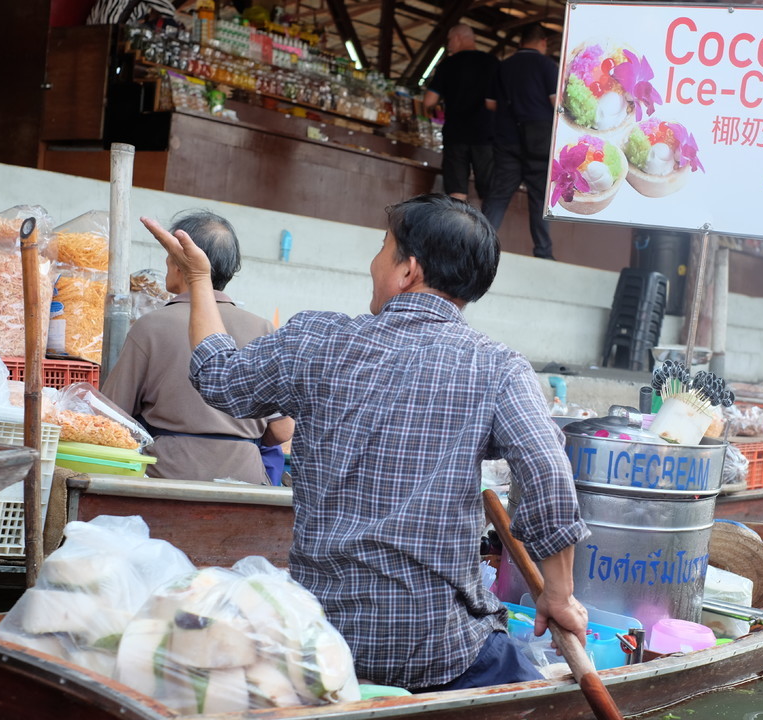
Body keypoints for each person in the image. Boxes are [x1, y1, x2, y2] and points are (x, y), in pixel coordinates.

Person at [140, 194, 589, 691]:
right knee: (516, 667)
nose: (374, 262)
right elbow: (548, 472)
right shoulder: (500, 367)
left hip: (323, 641)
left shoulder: (317, 340)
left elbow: (218, 376)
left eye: (383, 247)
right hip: (439, 647)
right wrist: (560, 594)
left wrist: (200, 282)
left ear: (407, 272)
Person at [101, 210, 293, 485]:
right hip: (247, 483)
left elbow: (111, 419)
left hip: (166, 479)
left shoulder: (151, 326)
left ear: (181, 262)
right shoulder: (264, 329)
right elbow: (282, 431)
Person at [482, 24, 559, 260]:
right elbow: (557, 103)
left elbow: (490, 104)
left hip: (507, 140)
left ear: (521, 42)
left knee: (499, 195)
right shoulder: (548, 66)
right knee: (539, 198)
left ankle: (479, 244)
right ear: (543, 42)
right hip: (539, 142)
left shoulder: (503, 66)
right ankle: (543, 252)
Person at [422, 24, 499, 204]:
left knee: (456, 191)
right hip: (486, 135)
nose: (449, 45)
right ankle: (487, 229)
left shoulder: (448, 64)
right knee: (488, 192)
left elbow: (428, 101)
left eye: (449, 40)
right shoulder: (493, 63)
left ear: (457, 38)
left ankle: (456, 230)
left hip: (456, 135)